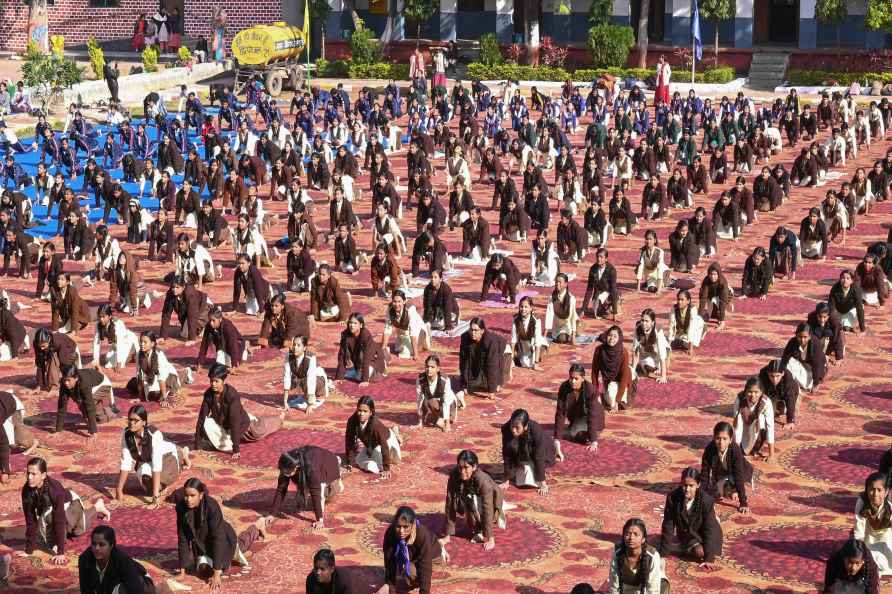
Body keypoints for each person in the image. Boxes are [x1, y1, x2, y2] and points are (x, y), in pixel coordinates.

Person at [175, 478, 265, 589]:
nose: (188, 499)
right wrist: (182, 572)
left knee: (240, 544)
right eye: (186, 495)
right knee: (203, 571)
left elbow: (218, 538)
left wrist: (217, 574)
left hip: (222, 537)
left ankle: (257, 527)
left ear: (201, 495)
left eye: (192, 496)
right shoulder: (181, 506)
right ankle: (234, 557)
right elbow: (183, 538)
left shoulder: (211, 506)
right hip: (201, 543)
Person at [21, 457, 111, 563]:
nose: (29, 477)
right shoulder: (26, 491)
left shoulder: (54, 489)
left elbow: (60, 519)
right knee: (54, 520)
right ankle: (97, 507)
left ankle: (96, 507)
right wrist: (28, 550)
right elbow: (30, 520)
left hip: (71, 504)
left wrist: (60, 552)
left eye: (34, 474)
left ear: (43, 475)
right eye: (28, 473)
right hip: (50, 511)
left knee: (77, 531)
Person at [194, 363, 283, 458]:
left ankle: (280, 418)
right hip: (225, 426)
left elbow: (234, 422)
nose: (213, 384)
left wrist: (235, 449)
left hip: (244, 428)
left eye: (216, 381)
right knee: (207, 422)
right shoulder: (208, 394)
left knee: (263, 427)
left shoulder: (232, 395)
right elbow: (202, 418)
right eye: (211, 381)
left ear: (223, 381)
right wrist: (197, 444)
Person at [114, 404, 190, 508]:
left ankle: (181, 455)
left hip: (167, 457)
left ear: (144, 422)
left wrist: (155, 497)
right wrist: (119, 490)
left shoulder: (154, 434)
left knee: (159, 485)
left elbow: (156, 465)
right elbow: (125, 462)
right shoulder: (126, 433)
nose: (131, 423)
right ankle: (181, 455)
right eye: (130, 419)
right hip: (146, 460)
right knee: (147, 484)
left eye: (136, 420)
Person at [441, 450, 508, 553]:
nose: (462, 471)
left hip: (491, 501)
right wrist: (447, 535)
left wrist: (490, 538)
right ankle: (476, 524)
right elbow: (449, 502)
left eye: (466, 468)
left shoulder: (483, 480)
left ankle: (490, 521)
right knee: (464, 501)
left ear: (474, 467)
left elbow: (487, 507)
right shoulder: (454, 475)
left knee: (474, 502)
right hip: (469, 498)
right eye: (460, 467)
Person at [266, 446, 343, 531]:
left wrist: (319, 520)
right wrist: (272, 513)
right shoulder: (288, 463)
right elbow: (281, 489)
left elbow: (316, 493)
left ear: (296, 468)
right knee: (307, 484)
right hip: (313, 462)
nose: (284, 474)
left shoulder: (312, 468)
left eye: (286, 473)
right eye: (283, 472)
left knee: (327, 493)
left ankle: (337, 466)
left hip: (328, 463)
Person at [659, 467, 722, 570]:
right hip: (687, 532)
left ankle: (683, 547)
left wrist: (709, 559)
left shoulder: (706, 500)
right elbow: (668, 525)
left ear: (698, 485)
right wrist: (663, 554)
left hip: (705, 530)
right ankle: (684, 545)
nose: (687, 489)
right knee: (698, 551)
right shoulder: (673, 497)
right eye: (684, 485)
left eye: (691, 486)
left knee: (705, 552)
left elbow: (709, 529)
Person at [379, 506, 443, 594]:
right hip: (412, 555)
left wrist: (424, 592)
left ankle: (441, 548)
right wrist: (389, 586)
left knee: (409, 572)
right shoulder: (391, 533)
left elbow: (425, 566)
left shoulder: (422, 535)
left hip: (432, 557)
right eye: (398, 526)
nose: (401, 531)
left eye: (405, 527)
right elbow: (389, 560)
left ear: (412, 525)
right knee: (401, 566)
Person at [78, 525, 155, 594]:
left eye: (102, 545)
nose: (97, 548)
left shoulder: (123, 561)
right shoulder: (84, 560)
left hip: (140, 581)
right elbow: (85, 590)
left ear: (111, 546)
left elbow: (136, 590)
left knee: (119, 590)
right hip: (112, 585)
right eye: (94, 544)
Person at [700, 421, 753, 514]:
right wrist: (700, 500)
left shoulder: (735, 450)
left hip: (742, 473)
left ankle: (735, 489)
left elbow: (738, 476)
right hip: (724, 473)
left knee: (734, 484)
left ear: (731, 440)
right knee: (718, 491)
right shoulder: (709, 450)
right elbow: (705, 475)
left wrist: (743, 503)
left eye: (725, 439)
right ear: (713, 438)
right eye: (718, 438)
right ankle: (731, 489)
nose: (721, 443)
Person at [553, 363, 604, 460]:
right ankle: (581, 429)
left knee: (576, 434)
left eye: (576, 379)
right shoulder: (564, 387)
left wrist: (594, 441)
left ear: (583, 378)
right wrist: (557, 439)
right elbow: (560, 413)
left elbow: (592, 414)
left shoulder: (590, 389)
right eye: (571, 378)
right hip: (578, 416)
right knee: (572, 431)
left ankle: (592, 433)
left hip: (594, 415)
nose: (572, 381)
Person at [343, 396, 402, 477]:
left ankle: (395, 436)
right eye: (359, 410)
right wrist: (349, 463)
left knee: (373, 466)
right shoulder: (352, 421)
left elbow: (384, 445)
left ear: (371, 412)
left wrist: (386, 469)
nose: (361, 414)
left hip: (387, 441)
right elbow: (349, 440)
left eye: (365, 411)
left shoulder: (375, 424)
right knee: (358, 460)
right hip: (371, 444)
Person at [500, 409, 555, 495]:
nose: (513, 430)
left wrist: (542, 482)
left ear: (525, 427)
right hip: (523, 451)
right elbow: (507, 454)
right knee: (522, 481)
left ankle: (556, 446)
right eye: (512, 426)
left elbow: (539, 456)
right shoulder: (506, 429)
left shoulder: (536, 430)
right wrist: (506, 478)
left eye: (517, 427)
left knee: (533, 481)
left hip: (543, 450)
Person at [607, 518, 670, 594]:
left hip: (646, 589)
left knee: (662, 586)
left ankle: (661, 570)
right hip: (626, 590)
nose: (631, 538)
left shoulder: (652, 556)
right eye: (627, 534)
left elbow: (652, 590)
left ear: (643, 539)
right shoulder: (617, 554)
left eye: (636, 534)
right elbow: (614, 586)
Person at [456, 317, 511, 401]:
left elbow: (492, 366)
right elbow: (464, 361)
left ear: (482, 331)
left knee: (497, 384)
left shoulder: (491, 342)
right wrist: (464, 385)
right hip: (481, 352)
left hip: (503, 352)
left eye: (476, 330)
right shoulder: (465, 338)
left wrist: (491, 391)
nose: (473, 333)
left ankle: (507, 372)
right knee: (473, 384)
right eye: (471, 330)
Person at [55, 364, 117, 437]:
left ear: (76, 378)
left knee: (85, 404)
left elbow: (89, 405)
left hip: (103, 385)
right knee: (97, 417)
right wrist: (58, 430)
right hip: (91, 384)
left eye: (69, 380)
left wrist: (93, 431)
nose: (66, 383)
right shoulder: (64, 384)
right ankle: (100, 413)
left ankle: (110, 412)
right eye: (64, 380)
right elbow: (61, 405)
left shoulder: (84, 382)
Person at [129, 331, 183, 406]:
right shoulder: (139, 354)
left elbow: (162, 378)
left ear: (152, 344)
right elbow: (139, 375)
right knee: (132, 385)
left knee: (158, 394)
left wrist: (164, 398)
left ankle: (185, 373)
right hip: (151, 378)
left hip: (166, 377)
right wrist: (140, 397)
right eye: (141, 342)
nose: (142, 344)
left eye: (145, 342)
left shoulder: (159, 355)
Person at [853, 472, 892, 576]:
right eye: (871, 489)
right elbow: (859, 528)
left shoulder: (890, 504)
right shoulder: (862, 502)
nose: (875, 494)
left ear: (886, 491)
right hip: (868, 539)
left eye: (879, 490)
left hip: (888, 538)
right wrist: (859, 549)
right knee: (867, 561)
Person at [336, 313, 388, 385]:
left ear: (360, 325)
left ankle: (385, 359)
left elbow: (367, 358)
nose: (352, 325)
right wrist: (339, 377)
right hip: (359, 364)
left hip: (373, 359)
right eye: (350, 323)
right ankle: (359, 372)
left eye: (355, 323)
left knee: (361, 377)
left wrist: (365, 380)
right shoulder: (345, 335)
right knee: (349, 375)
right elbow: (342, 355)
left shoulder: (366, 336)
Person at [591, 325, 633, 411]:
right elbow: (594, 372)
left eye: (615, 336)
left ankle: (630, 387)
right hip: (609, 381)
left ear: (619, 339)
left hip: (623, 379)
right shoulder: (599, 350)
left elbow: (624, 377)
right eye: (610, 335)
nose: (611, 339)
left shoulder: (623, 352)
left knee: (618, 403)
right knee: (611, 402)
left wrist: (617, 400)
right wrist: (596, 394)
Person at [732, 377, 775, 461]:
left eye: (756, 392)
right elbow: (737, 425)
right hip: (743, 428)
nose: (753, 395)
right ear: (745, 391)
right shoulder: (739, 400)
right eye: (750, 392)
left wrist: (771, 454)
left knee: (762, 419)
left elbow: (770, 427)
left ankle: (756, 446)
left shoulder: (766, 402)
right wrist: (737, 453)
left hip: (757, 429)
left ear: (761, 392)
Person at [282, 335, 328, 412]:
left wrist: (310, 404)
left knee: (306, 381)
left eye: (298, 345)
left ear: (304, 348)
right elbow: (286, 376)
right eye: (294, 345)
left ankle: (319, 396)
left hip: (317, 379)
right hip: (302, 378)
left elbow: (311, 380)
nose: (295, 347)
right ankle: (306, 395)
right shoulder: (289, 355)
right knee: (292, 380)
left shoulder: (310, 358)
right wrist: (285, 401)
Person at [415, 354, 458, 431]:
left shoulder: (445, 380)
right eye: (427, 367)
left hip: (449, 404)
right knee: (427, 401)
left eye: (432, 367)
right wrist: (420, 422)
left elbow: (446, 402)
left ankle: (442, 417)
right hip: (435, 403)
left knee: (450, 419)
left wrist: (447, 425)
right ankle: (439, 418)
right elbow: (419, 399)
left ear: (438, 369)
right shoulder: (420, 379)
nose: (429, 369)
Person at [780, 322, 827, 392]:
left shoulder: (816, 343)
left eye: (805, 337)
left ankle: (808, 382)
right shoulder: (792, 342)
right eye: (800, 337)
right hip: (802, 366)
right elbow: (785, 358)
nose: (802, 340)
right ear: (796, 335)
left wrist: (816, 383)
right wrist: (780, 374)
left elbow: (817, 364)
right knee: (788, 363)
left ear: (810, 336)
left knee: (809, 384)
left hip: (816, 370)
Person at [382, 290, 429, 360]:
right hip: (402, 332)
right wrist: (383, 348)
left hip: (418, 330)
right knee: (397, 349)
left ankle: (426, 332)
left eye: (399, 302)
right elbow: (387, 328)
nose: (396, 304)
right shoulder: (390, 308)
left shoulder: (410, 309)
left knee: (407, 353)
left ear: (404, 301)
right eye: (394, 301)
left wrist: (415, 354)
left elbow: (413, 332)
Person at [92, 304, 139, 372]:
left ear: (109, 316)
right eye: (100, 317)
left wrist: (119, 363)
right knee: (107, 359)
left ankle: (132, 353)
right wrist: (96, 360)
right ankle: (129, 356)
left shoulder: (118, 324)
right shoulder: (98, 325)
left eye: (103, 317)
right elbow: (96, 343)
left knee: (109, 365)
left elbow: (120, 343)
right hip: (116, 344)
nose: (101, 319)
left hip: (128, 342)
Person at [758, 359, 799, 430]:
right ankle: (778, 405)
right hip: (771, 393)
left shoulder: (788, 377)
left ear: (782, 373)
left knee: (792, 392)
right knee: (768, 413)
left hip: (787, 392)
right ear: (768, 373)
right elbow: (760, 393)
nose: (775, 379)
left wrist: (790, 421)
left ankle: (782, 404)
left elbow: (790, 398)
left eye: (777, 376)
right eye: (772, 376)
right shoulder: (762, 374)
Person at [582, 248, 621, 320]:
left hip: (608, 292)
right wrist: (584, 308)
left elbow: (613, 289)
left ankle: (615, 304)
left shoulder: (611, 270)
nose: (598, 259)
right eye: (597, 256)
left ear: (606, 259)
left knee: (614, 294)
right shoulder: (593, 269)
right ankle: (606, 307)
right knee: (598, 312)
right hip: (598, 294)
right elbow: (589, 288)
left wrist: (615, 313)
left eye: (601, 257)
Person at [632, 309, 670, 383]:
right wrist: (633, 373)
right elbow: (635, 352)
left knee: (648, 370)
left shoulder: (658, 331)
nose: (643, 323)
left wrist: (663, 376)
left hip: (661, 353)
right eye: (642, 320)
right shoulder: (638, 329)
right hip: (647, 353)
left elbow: (662, 352)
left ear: (652, 322)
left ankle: (657, 369)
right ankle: (652, 368)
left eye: (647, 321)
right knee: (644, 368)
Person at [698, 262, 733, 329]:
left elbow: (722, 300)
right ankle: (713, 311)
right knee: (711, 315)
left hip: (725, 297)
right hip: (712, 297)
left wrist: (722, 321)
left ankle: (728, 305)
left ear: (718, 274)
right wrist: (699, 318)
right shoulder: (706, 280)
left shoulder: (723, 282)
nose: (712, 277)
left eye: (715, 274)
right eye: (711, 274)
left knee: (721, 313)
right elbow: (703, 298)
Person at [546, 273, 578, 344]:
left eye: (560, 282)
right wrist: (545, 335)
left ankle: (574, 330)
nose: (557, 284)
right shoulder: (552, 297)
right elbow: (549, 314)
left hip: (567, 324)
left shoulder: (571, 298)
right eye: (556, 282)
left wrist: (573, 336)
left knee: (562, 339)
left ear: (566, 284)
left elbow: (572, 317)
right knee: (554, 336)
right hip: (557, 324)